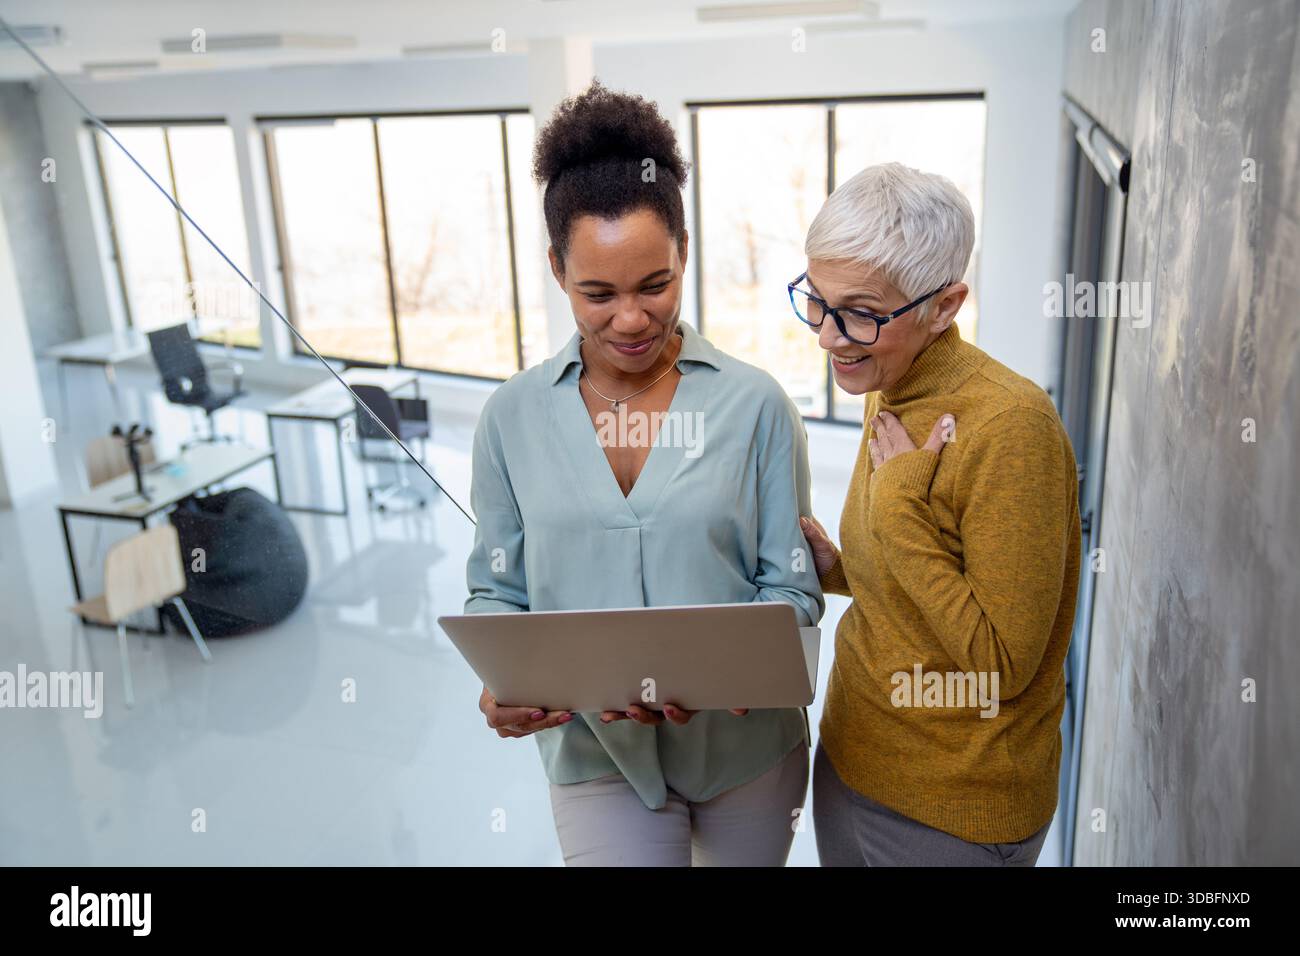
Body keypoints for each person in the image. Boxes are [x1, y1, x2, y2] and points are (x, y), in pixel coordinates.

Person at [464, 81, 823, 866]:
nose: (630, 319)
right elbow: (497, 588)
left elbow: (792, 589)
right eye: (598, 293)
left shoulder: (757, 406)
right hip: (597, 757)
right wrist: (501, 682)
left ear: (685, 253)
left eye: (654, 285)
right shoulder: (511, 419)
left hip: (745, 753)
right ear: (557, 270)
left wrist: (737, 672)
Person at [795, 162, 1081, 866]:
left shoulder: (1012, 427)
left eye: (861, 312)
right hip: (852, 761)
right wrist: (841, 568)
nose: (829, 337)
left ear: (945, 306)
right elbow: (921, 585)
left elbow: (1000, 663)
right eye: (817, 301)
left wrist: (897, 514)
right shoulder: (887, 379)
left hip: (950, 812)